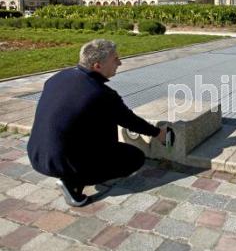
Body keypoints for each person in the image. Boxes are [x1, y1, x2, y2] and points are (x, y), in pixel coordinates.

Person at [27, 39, 165, 207]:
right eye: (115, 59)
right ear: (97, 66)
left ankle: (75, 171)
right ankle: (73, 182)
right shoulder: (101, 94)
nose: (120, 63)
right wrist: (158, 133)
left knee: (100, 122)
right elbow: (130, 121)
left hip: (36, 154)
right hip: (60, 161)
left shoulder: (58, 77)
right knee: (134, 158)